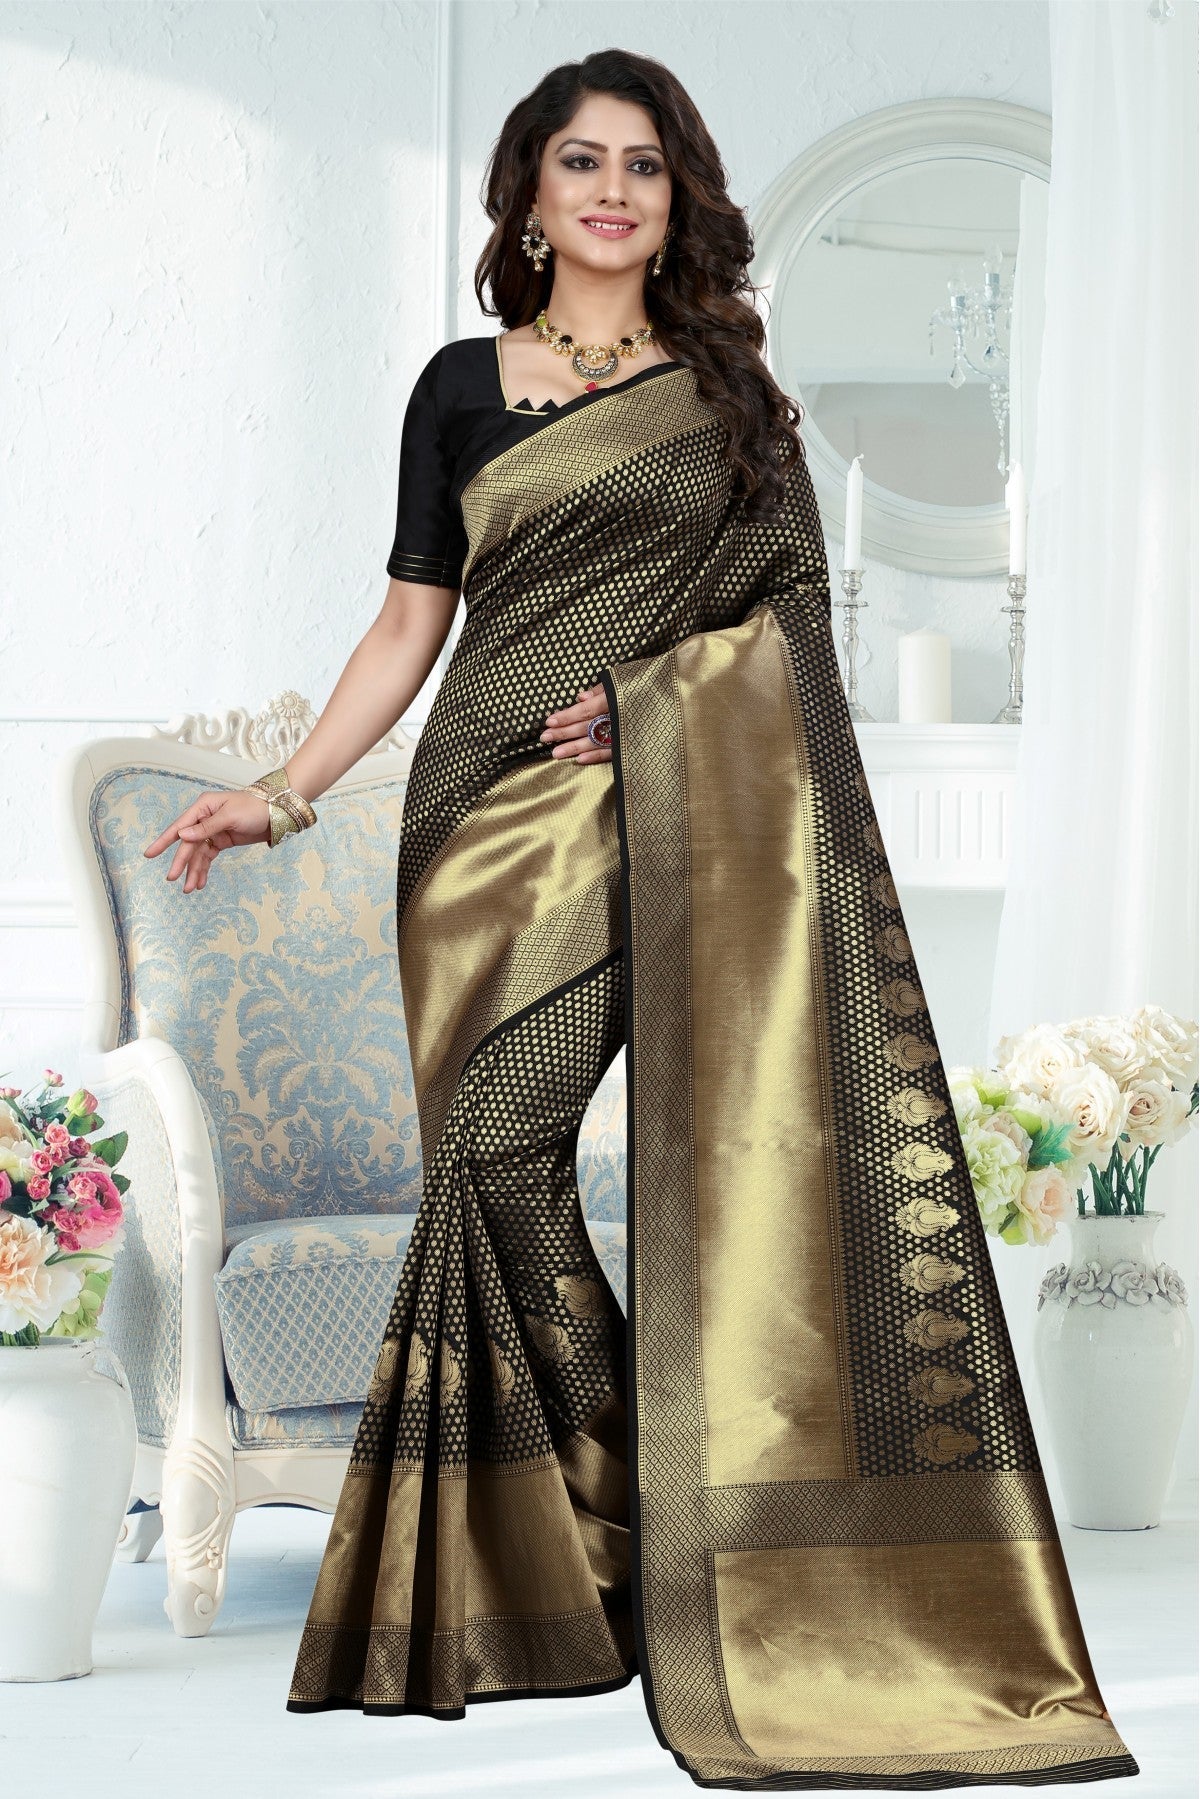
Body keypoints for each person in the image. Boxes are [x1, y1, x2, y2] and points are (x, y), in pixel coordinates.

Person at [144, 49, 1139, 1794]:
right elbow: (408, 626)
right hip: (466, 829)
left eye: (645, 167)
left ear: (678, 202)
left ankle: (650, 1523)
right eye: (581, 163)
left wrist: (654, 699)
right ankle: (618, 1537)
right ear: (530, 194)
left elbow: (794, 624)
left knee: (504, 1152)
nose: (613, 192)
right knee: (491, 1168)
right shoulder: (459, 386)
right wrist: (283, 792)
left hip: (646, 824)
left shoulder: (731, 396)